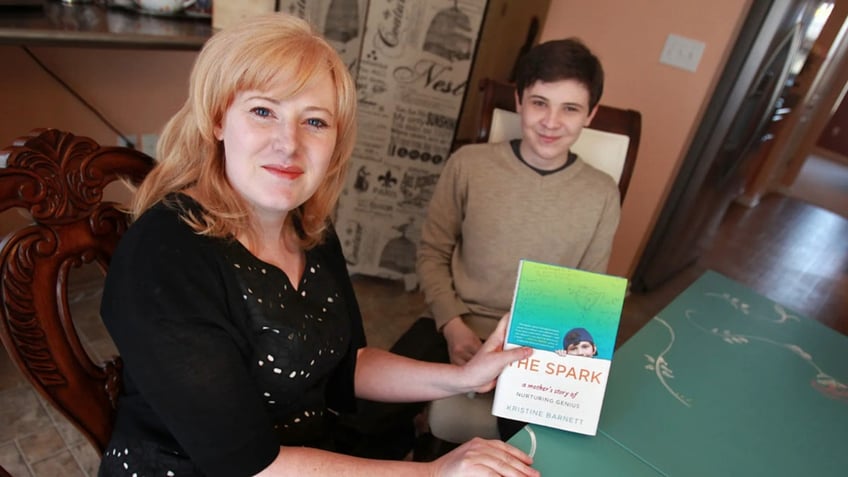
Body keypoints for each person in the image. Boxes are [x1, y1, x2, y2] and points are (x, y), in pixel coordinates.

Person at [97, 13, 538, 477]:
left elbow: (349, 364)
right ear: (217, 121)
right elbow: (250, 466)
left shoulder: (309, 229)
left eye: (315, 121)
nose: (288, 144)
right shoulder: (165, 256)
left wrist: (461, 378)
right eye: (263, 111)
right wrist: (434, 472)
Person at [415, 38, 620, 442]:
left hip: (544, 348)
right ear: (519, 100)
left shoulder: (602, 194)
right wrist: (454, 327)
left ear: (590, 115)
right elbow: (432, 253)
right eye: (540, 102)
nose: (551, 122)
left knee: (545, 442)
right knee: (367, 418)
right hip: (462, 323)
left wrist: (545, 362)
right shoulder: (469, 165)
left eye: (571, 109)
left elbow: (587, 299)